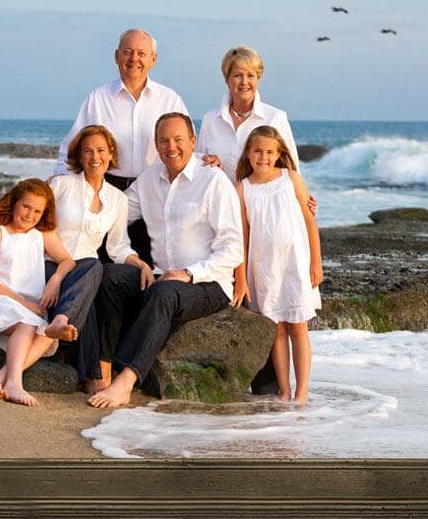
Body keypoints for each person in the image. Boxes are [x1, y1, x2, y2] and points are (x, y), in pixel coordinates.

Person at [87, 113, 244, 409]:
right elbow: (117, 212)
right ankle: (102, 369)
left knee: (163, 292)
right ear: (156, 145)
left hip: (208, 283)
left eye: (178, 140)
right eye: (163, 141)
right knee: (110, 277)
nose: (171, 147)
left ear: (193, 142)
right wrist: (69, 198)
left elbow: (233, 249)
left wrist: (189, 273)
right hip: (161, 275)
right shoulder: (150, 179)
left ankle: (127, 380)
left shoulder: (213, 181)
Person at [52, 28, 190, 263]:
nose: (134, 59)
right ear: (117, 56)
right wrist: (58, 184)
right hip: (108, 188)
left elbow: (186, 146)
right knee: (105, 261)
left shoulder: (170, 99)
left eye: (141, 53)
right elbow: (72, 147)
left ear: (153, 60)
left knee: (150, 262)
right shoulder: (98, 98)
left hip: (154, 188)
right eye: (128, 52)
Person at [0, 178, 86, 407]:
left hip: (25, 306)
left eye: (37, 211)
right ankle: (14, 384)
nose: (30, 215)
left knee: (46, 333)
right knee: (30, 323)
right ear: (14, 203)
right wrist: (23, 303)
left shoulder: (41, 234)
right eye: (26, 206)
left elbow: (67, 261)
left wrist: (56, 279)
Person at [49, 124, 153, 393]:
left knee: (94, 272)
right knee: (93, 271)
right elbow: (38, 228)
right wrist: (62, 267)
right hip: (52, 266)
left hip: (86, 272)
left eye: (100, 151)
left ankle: (70, 336)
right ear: (79, 156)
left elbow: (119, 247)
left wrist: (140, 263)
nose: (94, 157)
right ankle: (95, 376)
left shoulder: (118, 199)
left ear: (111, 155)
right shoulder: (61, 185)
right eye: (88, 151)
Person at [232, 125, 323, 405]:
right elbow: (242, 236)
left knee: (299, 326)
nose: (263, 157)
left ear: (279, 153)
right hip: (264, 268)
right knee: (277, 330)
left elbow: (309, 221)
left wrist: (316, 263)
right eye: (258, 151)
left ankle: (302, 392)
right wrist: (243, 277)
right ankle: (284, 390)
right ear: (248, 154)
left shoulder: (290, 178)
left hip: (295, 263)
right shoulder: (242, 188)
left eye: (270, 152)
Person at [197, 45, 299, 183]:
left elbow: (292, 171)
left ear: (258, 78)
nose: (244, 82)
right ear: (227, 79)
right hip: (220, 203)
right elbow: (199, 169)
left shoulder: (275, 118)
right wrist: (211, 166)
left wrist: (303, 199)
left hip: (261, 204)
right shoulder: (210, 120)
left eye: (250, 75)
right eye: (238, 75)